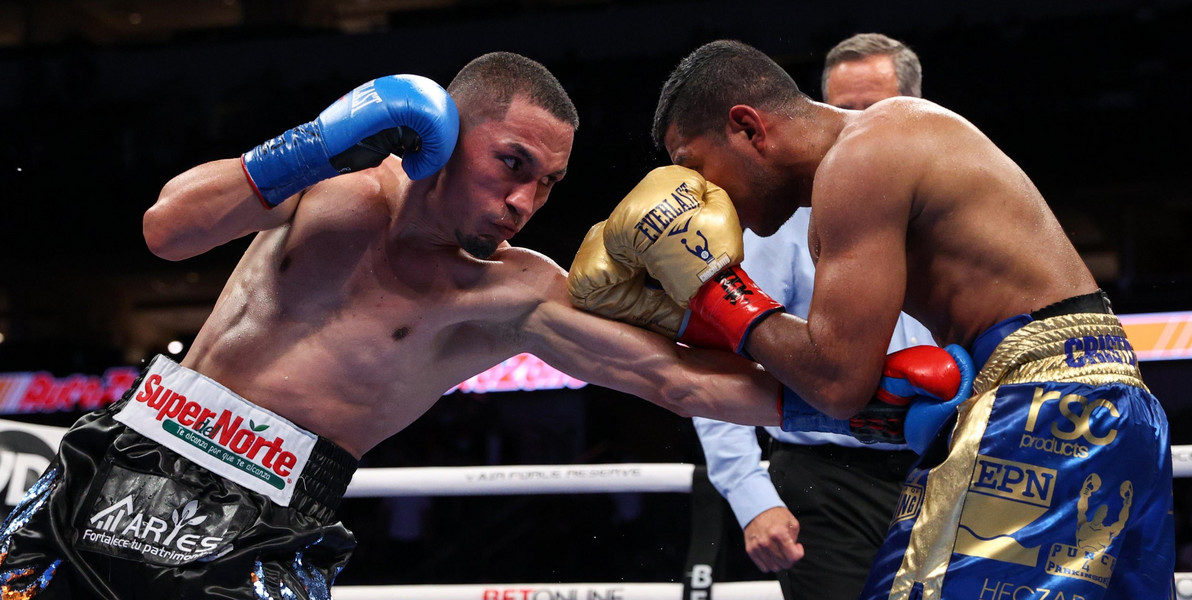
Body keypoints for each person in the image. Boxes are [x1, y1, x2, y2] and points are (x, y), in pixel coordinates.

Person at [0, 52, 798, 600]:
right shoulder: (332, 182)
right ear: (447, 132)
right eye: (511, 164)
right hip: (119, 457)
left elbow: (673, 377)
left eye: (548, 184)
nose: (525, 203)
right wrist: (315, 143)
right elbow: (167, 230)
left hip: (260, 524)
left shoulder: (511, 292)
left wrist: (849, 400)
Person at [572, 39, 1174, 598]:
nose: (699, 195)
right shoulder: (876, 155)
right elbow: (818, 363)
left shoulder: (859, 160)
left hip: (1044, 405)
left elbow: (836, 381)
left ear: (748, 127)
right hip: (1094, 399)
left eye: (695, 167)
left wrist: (714, 287)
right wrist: (673, 317)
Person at [690, 33, 932, 600]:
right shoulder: (786, 217)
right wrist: (754, 498)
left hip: (940, 467)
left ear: (918, 113)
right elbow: (725, 353)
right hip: (825, 479)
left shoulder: (940, 208)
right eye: (840, 111)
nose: (856, 128)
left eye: (872, 111)